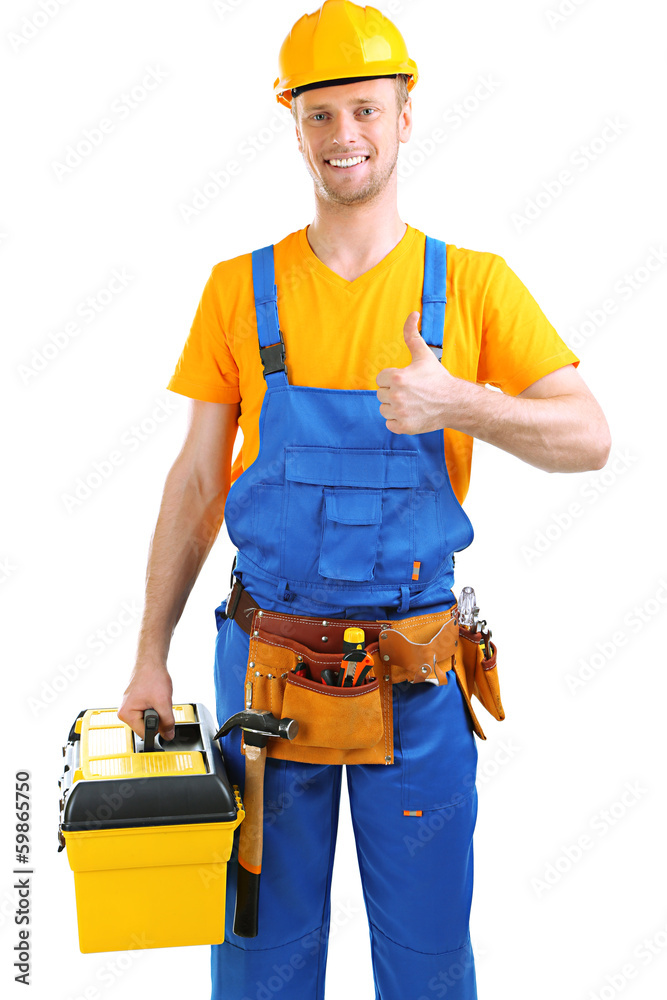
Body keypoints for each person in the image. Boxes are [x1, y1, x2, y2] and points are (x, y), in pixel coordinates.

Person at [118, 2, 611, 997]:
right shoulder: (236, 291)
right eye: (321, 115)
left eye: (365, 111)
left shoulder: (471, 286)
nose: (345, 136)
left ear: (405, 115)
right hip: (264, 675)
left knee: (428, 961)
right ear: (293, 123)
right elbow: (196, 481)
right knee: (262, 958)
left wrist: (458, 400)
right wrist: (146, 655)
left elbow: (589, 437)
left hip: (418, 676)